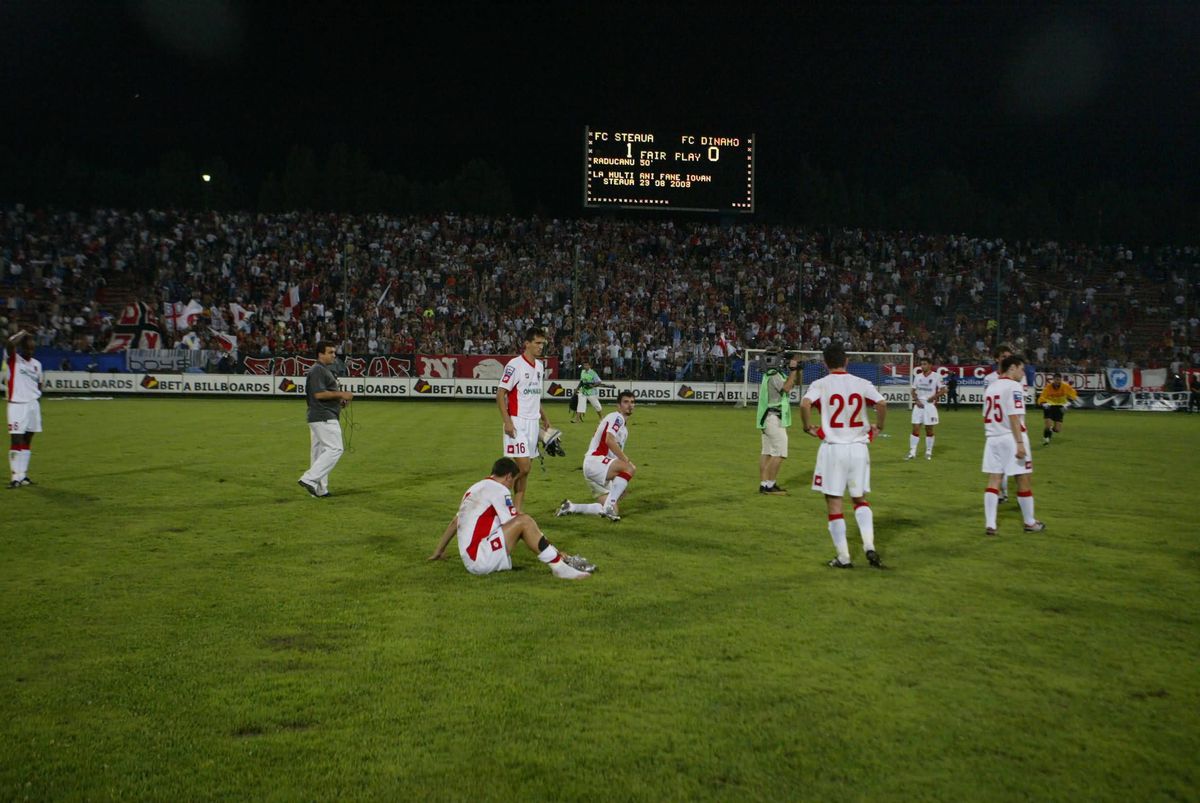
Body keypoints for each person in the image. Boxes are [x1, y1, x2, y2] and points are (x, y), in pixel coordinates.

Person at [429, 457, 593, 580]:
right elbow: (519, 524)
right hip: (481, 560)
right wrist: (554, 549)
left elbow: (454, 522)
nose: (510, 486)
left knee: (523, 521)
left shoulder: (474, 488)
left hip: (471, 560)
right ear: (508, 476)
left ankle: (556, 559)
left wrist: (439, 551)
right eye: (512, 481)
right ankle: (559, 566)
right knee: (525, 520)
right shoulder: (499, 489)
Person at [799, 343, 888, 569]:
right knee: (859, 498)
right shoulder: (861, 383)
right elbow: (881, 402)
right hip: (859, 448)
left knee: (834, 501)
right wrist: (878, 426)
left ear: (825, 362)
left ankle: (844, 557)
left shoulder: (820, 384)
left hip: (833, 448)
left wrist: (808, 426)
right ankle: (869, 545)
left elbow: (805, 403)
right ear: (846, 361)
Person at [981, 354, 1045, 535]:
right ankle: (1030, 522)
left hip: (993, 438)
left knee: (994, 479)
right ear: (1012, 368)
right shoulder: (1014, 386)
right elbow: (1014, 415)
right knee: (1023, 479)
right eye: (1021, 369)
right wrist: (1019, 443)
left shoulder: (991, 387)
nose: (1023, 373)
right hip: (1011, 437)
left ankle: (991, 524)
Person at [556, 390, 636, 521]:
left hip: (596, 467)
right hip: (596, 461)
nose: (630, 405)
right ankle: (609, 504)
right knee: (629, 468)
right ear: (618, 405)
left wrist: (618, 486)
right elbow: (609, 440)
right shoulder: (617, 417)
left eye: (632, 402)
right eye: (626, 402)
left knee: (613, 511)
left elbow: (612, 455)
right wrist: (627, 461)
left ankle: (571, 507)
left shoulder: (623, 428)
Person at [496, 327, 553, 512]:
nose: (540, 347)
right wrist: (508, 422)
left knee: (526, 472)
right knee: (524, 467)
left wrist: (545, 418)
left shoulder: (540, 366)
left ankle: (516, 511)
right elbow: (500, 394)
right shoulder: (514, 365)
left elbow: (535, 396)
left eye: (542, 343)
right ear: (526, 344)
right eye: (537, 343)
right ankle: (494, 492)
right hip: (517, 423)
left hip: (533, 423)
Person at [298, 343, 352, 498]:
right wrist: (342, 394)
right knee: (335, 449)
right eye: (330, 352)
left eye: (334, 352)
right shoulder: (318, 370)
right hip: (324, 417)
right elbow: (319, 394)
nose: (334, 355)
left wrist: (340, 402)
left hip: (319, 415)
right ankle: (309, 478)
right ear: (320, 354)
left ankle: (320, 490)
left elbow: (324, 395)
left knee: (319, 453)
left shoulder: (323, 370)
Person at [757, 352, 800, 494]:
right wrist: (793, 370)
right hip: (773, 418)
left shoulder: (770, 374)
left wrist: (796, 371)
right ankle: (770, 486)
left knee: (767, 452)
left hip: (767, 418)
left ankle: (764, 484)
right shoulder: (775, 375)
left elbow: (793, 384)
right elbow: (787, 388)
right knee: (780, 453)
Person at [6, 330, 43, 488]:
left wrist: (35, 396)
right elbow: (9, 344)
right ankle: (15, 477)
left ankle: (23, 475)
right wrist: (23, 333)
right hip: (17, 405)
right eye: (27, 348)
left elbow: (39, 384)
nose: (30, 351)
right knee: (16, 439)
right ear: (21, 348)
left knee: (27, 439)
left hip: (33, 405)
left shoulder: (37, 364)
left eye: (32, 349)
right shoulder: (14, 360)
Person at [983, 344, 1015, 502]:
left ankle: (1012, 492)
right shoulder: (989, 379)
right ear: (997, 358)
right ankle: (1003, 492)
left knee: (1012, 462)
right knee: (999, 462)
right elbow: (986, 403)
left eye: (1008, 356)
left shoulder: (1016, 377)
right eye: (1003, 356)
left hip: (1013, 424)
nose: (1006, 359)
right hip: (996, 426)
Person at [906, 357, 945, 460]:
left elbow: (944, 390)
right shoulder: (918, 377)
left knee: (929, 430)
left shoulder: (937, 376)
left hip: (929, 406)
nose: (922, 366)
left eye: (924, 364)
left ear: (930, 365)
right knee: (915, 428)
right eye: (921, 364)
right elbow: (913, 391)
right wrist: (916, 401)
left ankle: (928, 451)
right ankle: (912, 452)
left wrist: (933, 397)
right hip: (918, 405)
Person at [1037, 372, 1078, 445]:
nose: (1057, 382)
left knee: (1057, 429)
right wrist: (1044, 404)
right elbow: (1042, 397)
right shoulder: (1048, 387)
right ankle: (1046, 439)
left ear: (1061, 380)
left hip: (1060, 407)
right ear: (1053, 380)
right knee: (1048, 425)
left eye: (1059, 380)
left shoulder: (1065, 386)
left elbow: (1073, 394)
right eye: (1056, 380)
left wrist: (1068, 403)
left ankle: (1051, 430)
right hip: (1049, 406)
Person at [571, 358, 609, 423]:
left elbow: (599, 382)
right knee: (580, 405)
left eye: (587, 365)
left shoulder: (593, 373)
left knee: (596, 405)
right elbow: (581, 381)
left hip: (591, 392)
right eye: (584, 365)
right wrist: (577, 389)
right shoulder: (582, 372)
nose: (585, 366)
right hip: (583, 391)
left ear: (589, 366)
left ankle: (601, 417)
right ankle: (577, 419)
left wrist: (593, 386)